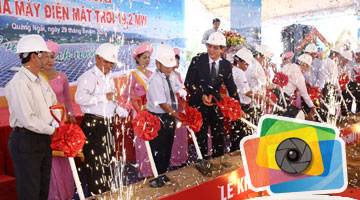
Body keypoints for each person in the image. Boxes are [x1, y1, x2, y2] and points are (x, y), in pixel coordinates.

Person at [6, 34, 58, 200]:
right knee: (30, 192)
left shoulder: (40, 80)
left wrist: (57, 124)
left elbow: (53, 105)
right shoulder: (19, 83)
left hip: (43, 138)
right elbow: (28, 118)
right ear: (34, 56)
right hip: (26, 141)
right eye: (44, 54)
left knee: (43, 190)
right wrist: (53, 130)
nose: (48, 59)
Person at [75, 43, 128, 196]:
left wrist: (118, 108)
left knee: (108, 161)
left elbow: (112, 98)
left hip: (108, 123)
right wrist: (104, 97)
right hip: (94, 124)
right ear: (96, 58)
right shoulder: (88, 76)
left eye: (112, 63)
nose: (109, 65)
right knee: (95, 164)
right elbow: (80, 98)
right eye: (106, 62)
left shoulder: (109, 77)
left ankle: (106, 194)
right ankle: (96, 195)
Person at [185, 32, 241, 158]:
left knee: (218, 136)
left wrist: (238, 107)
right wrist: (201, 95)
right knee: (201, 137)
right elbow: (188, 82)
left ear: (222, 49)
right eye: (209, 46)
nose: (211, 50)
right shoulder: (197, 60)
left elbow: (232, 87)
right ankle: (203, 164)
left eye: (215, 47)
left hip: (216, 104)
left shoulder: (226, 65)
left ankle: (219, 162)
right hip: (199, 104)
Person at [41, 41, 75, 200]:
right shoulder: (36, 77)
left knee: (64, 160)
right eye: (45, 57)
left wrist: (71, 116)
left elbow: (67, 99)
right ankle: (53, 194)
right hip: (45, 125)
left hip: (63, 124)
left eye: (52, 57)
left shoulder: (62, 76)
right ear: (38, 58)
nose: (49, 60)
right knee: (50, 161)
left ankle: (66, 193)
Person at [146, 44, 187, 174]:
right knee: (158, 150)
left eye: (171, 66)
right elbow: (163, 104)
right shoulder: (155, 80)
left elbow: (176, 86)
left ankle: (163, 173)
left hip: (170, 116)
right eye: (166, 66)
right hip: (157, 118)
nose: (170, 69)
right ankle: (157, 176)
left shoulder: (171, 74)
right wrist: (180, 117)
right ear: (157, 64)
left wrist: (181, 90)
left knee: (168, 147)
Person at [231, 47, 273, 151]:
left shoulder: (238, 71)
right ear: (238, 61)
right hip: (242, 106)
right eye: (246, 64)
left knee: (244, 134)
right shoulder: (238, 73)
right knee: (241, 135)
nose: (247, 67)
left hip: (244, 105)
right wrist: (264, 98)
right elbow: (248, 92)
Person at [124, 43, 154, 178]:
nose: (147, 60)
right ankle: (144, 170)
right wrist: (137, 99)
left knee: (152, 139)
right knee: (142, 142)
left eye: (148, 57)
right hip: (139, 112)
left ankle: (154, 168)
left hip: (152, 111)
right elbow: (126, 94)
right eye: (144, 58)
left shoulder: (153, 74)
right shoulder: (133, 75)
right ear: (137, 59)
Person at [169, 47, 188, 167]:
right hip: (171, 109)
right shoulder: (166, 75)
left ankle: (182, 158)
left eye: (178, 60)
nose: (177, 62)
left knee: (182, 134)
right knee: (174, 136)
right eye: (175, 60)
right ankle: (174, 160)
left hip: (180, 108)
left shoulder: (178, 74)